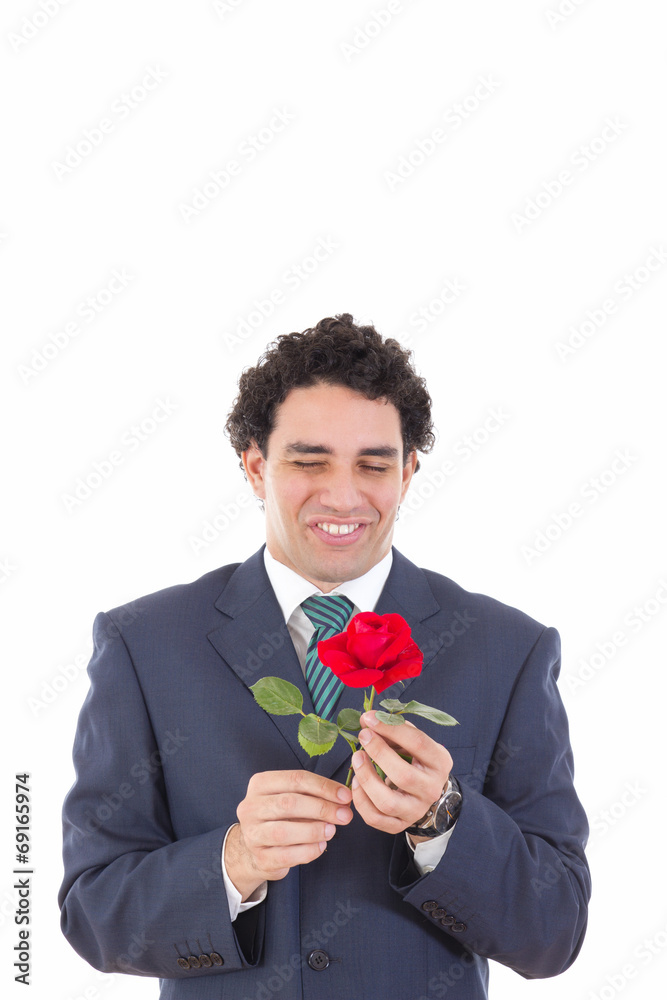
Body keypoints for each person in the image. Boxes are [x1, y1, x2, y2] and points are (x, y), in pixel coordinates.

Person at [59, 314, 591, 999]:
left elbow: (555, 931)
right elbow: (92, 913)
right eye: (308, 462)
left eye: (372, 465)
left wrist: (444, 822)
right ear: (255, 466)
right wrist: (234, 860)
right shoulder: (143, 643)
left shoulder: (507, 649)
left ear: (407, 472)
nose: (342, 497)